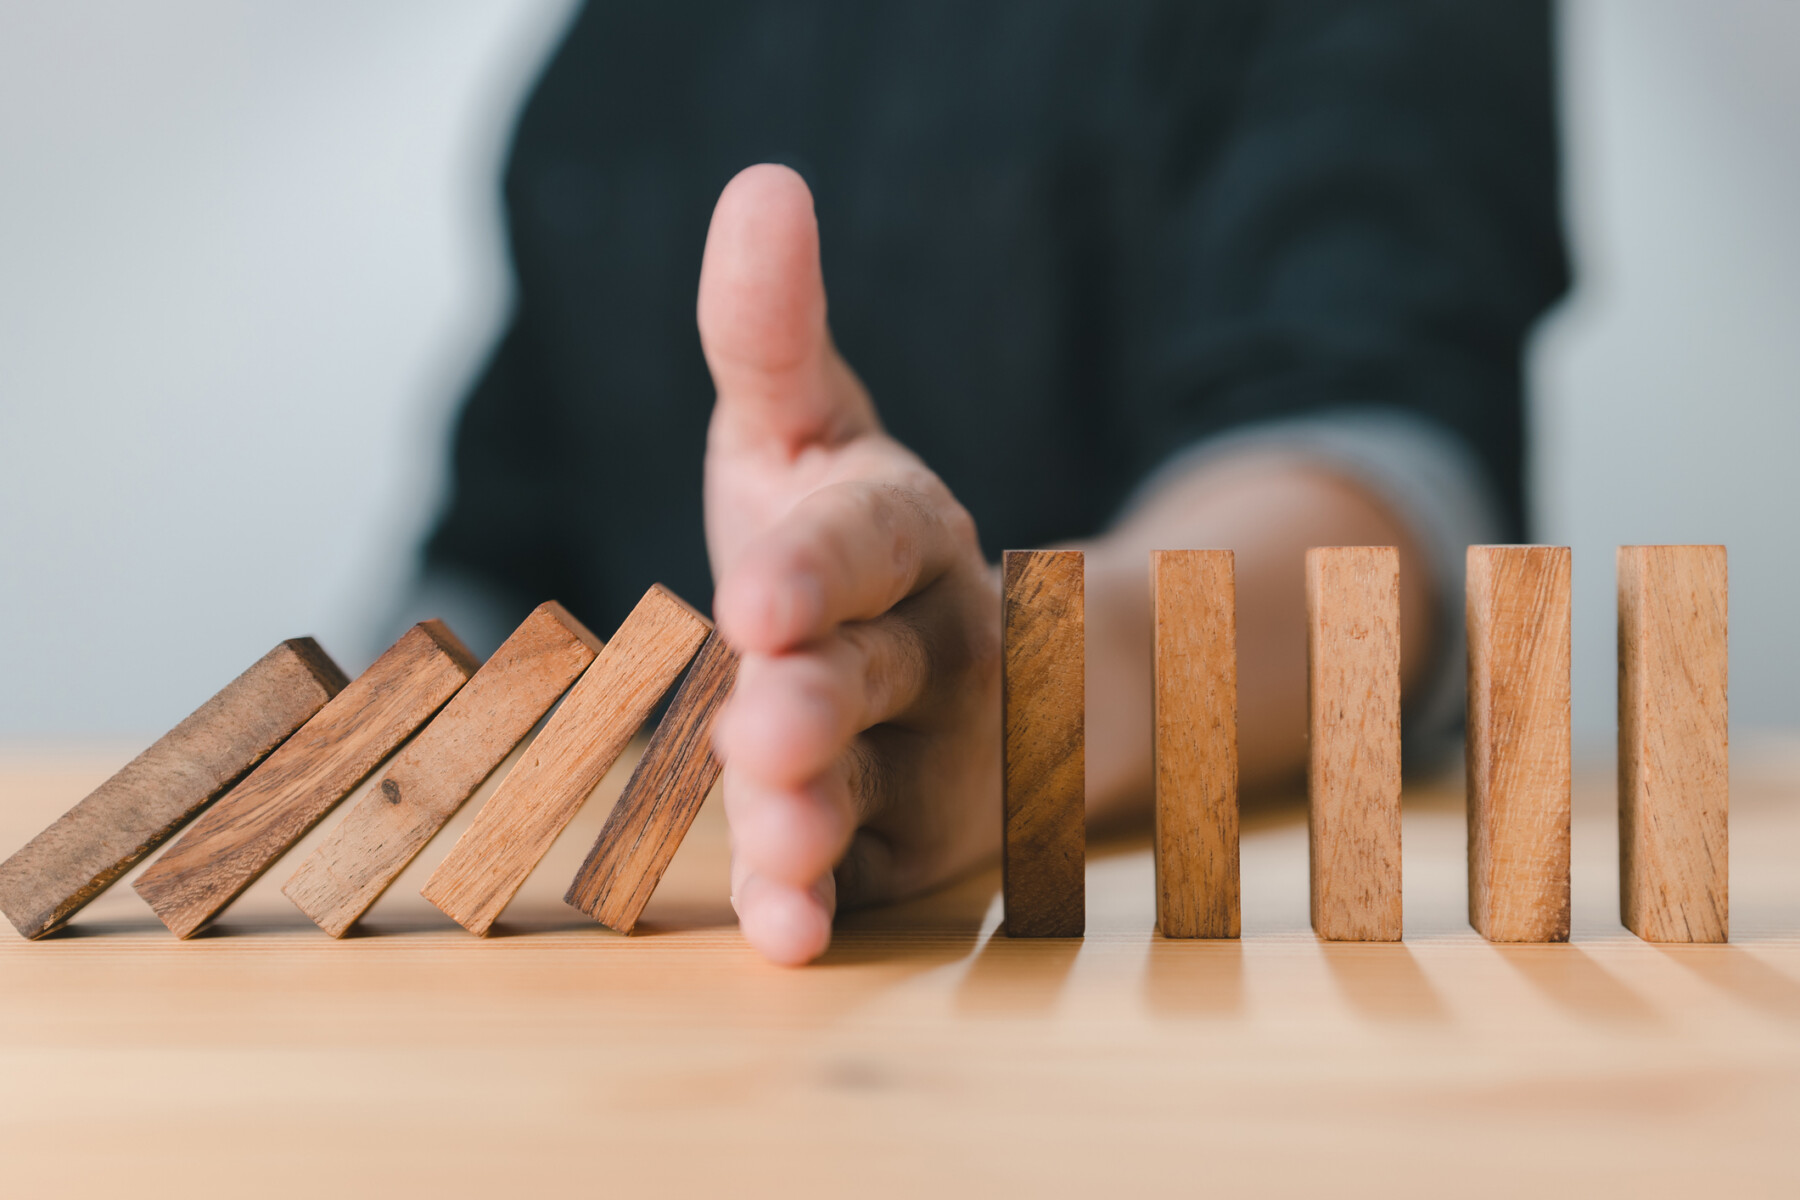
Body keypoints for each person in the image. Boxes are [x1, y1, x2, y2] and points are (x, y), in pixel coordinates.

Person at [413, 3, 1568, 965]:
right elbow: (497, 556)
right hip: (651, 999)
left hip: (1162, 983)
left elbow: (1371, 468)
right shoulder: (614, 46)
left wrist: (1026, 698)